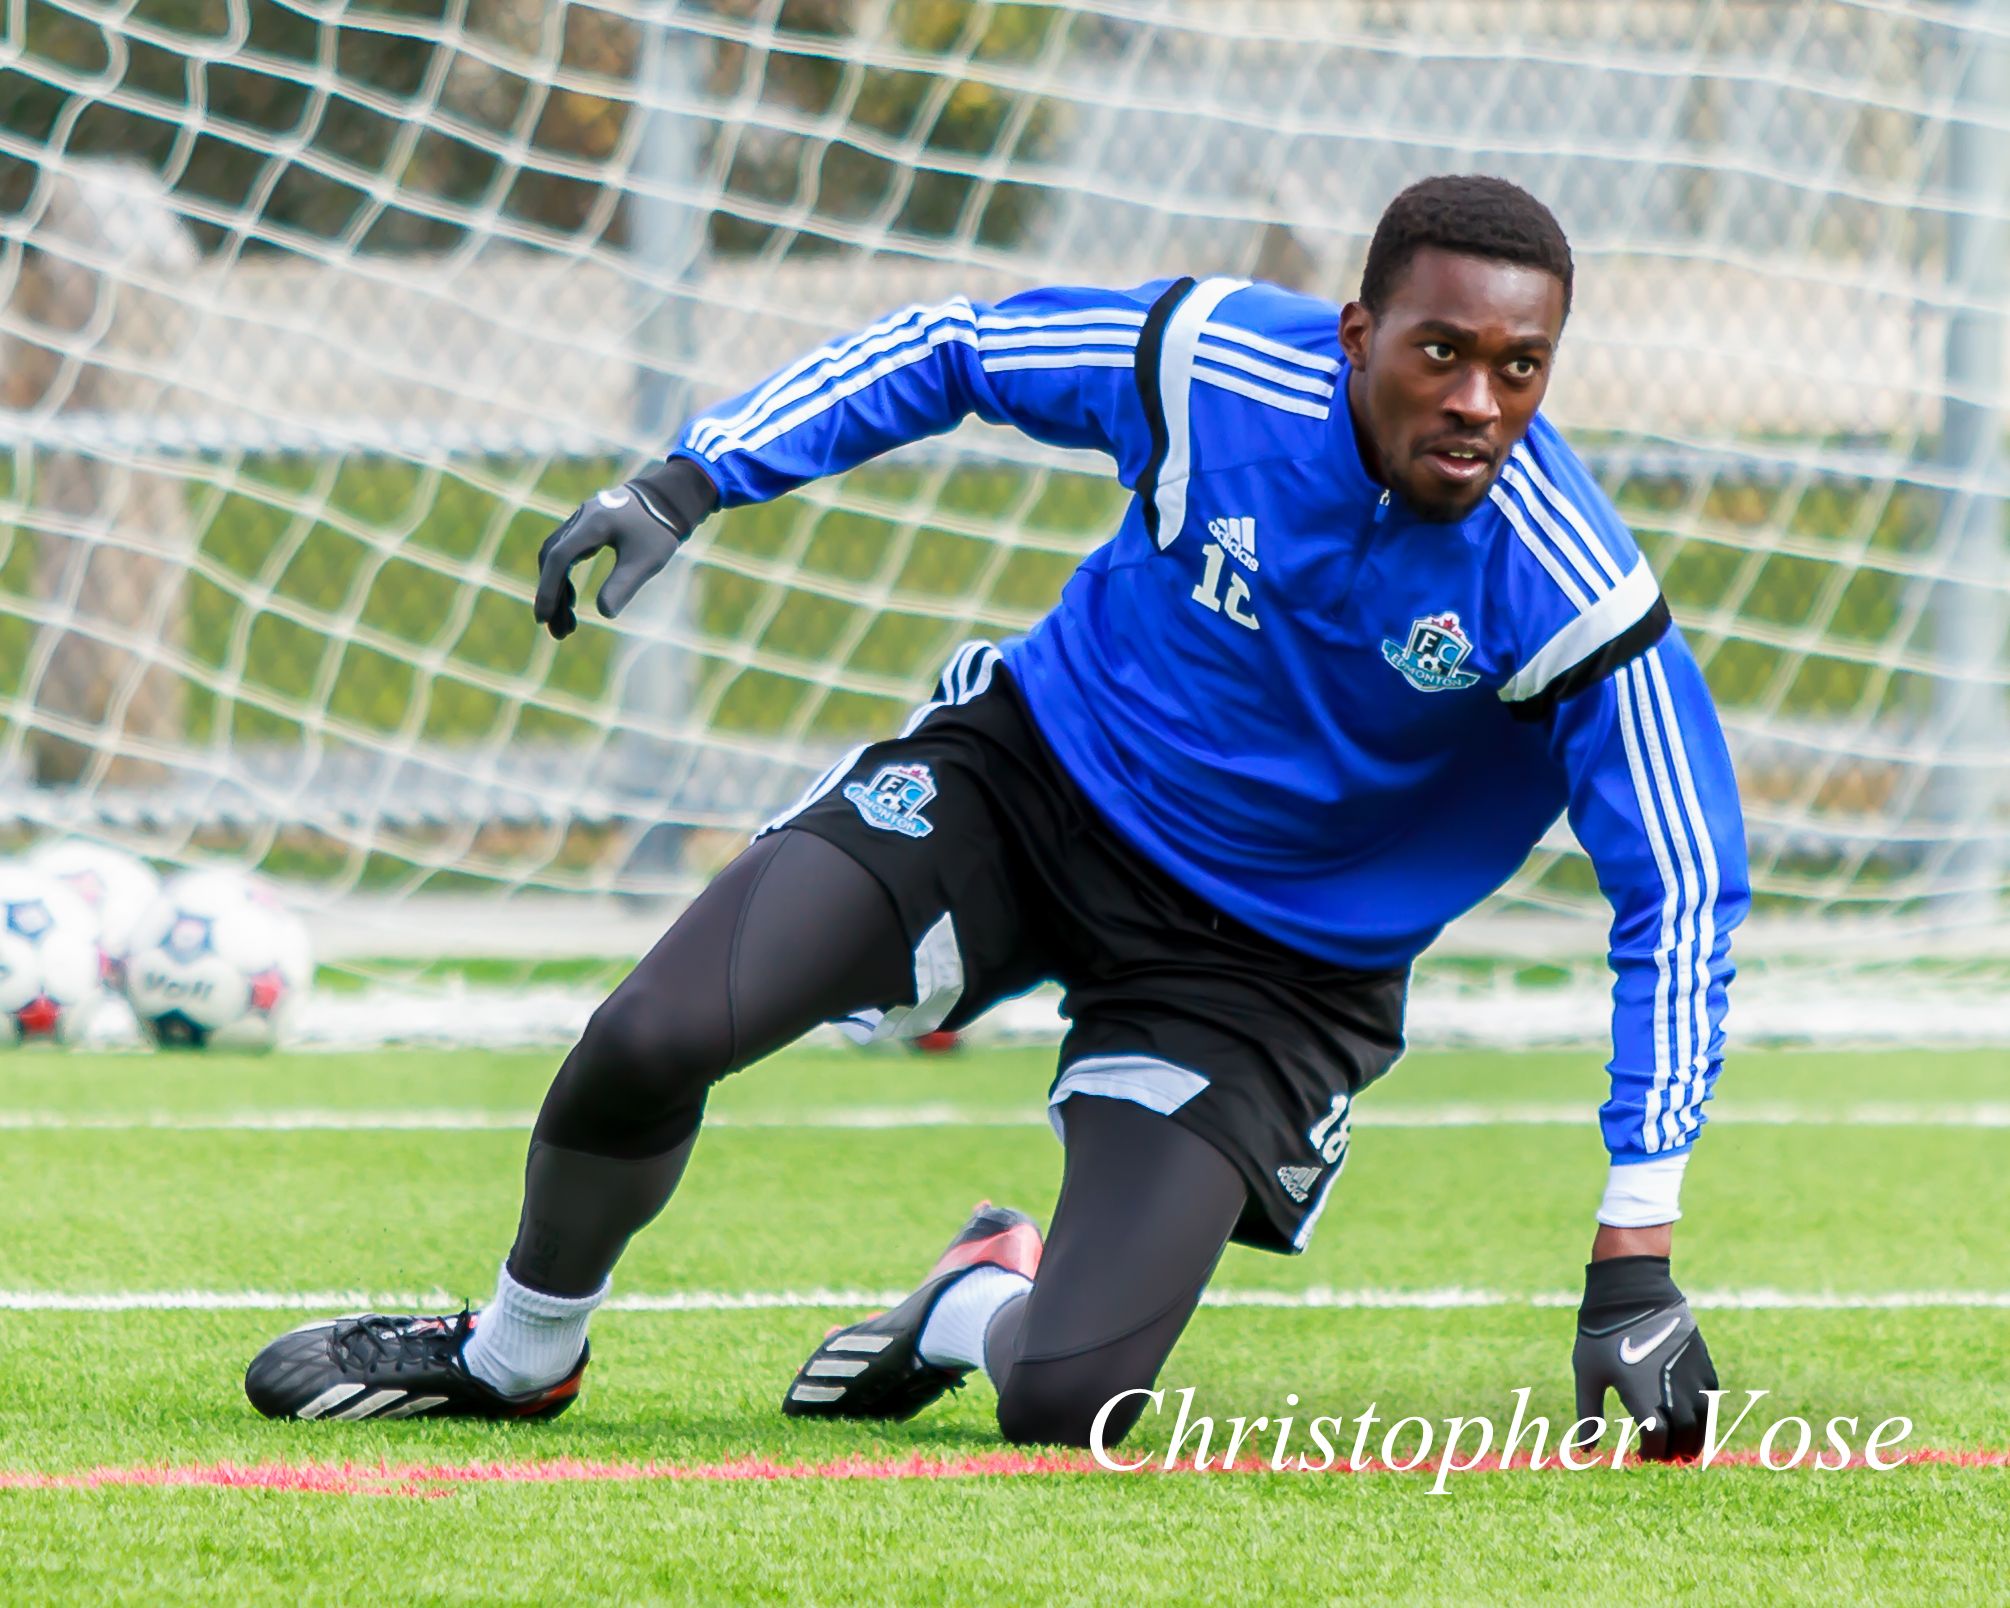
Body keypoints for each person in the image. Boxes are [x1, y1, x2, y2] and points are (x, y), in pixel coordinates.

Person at [245, 174, 1747, 1461]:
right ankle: (516, 1357)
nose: (1478, 403)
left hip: (1263, 972)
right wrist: (695, 475)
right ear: (1355, 334)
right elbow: (960, 347)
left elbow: (1678, 883)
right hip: (1030, 792)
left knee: (1068, 1402)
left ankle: (968, 1297)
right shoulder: (1206, 361)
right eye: (1440, 351)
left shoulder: (1573, 594)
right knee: (650, 1035)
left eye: (1521, 368)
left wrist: (1636, 1252)